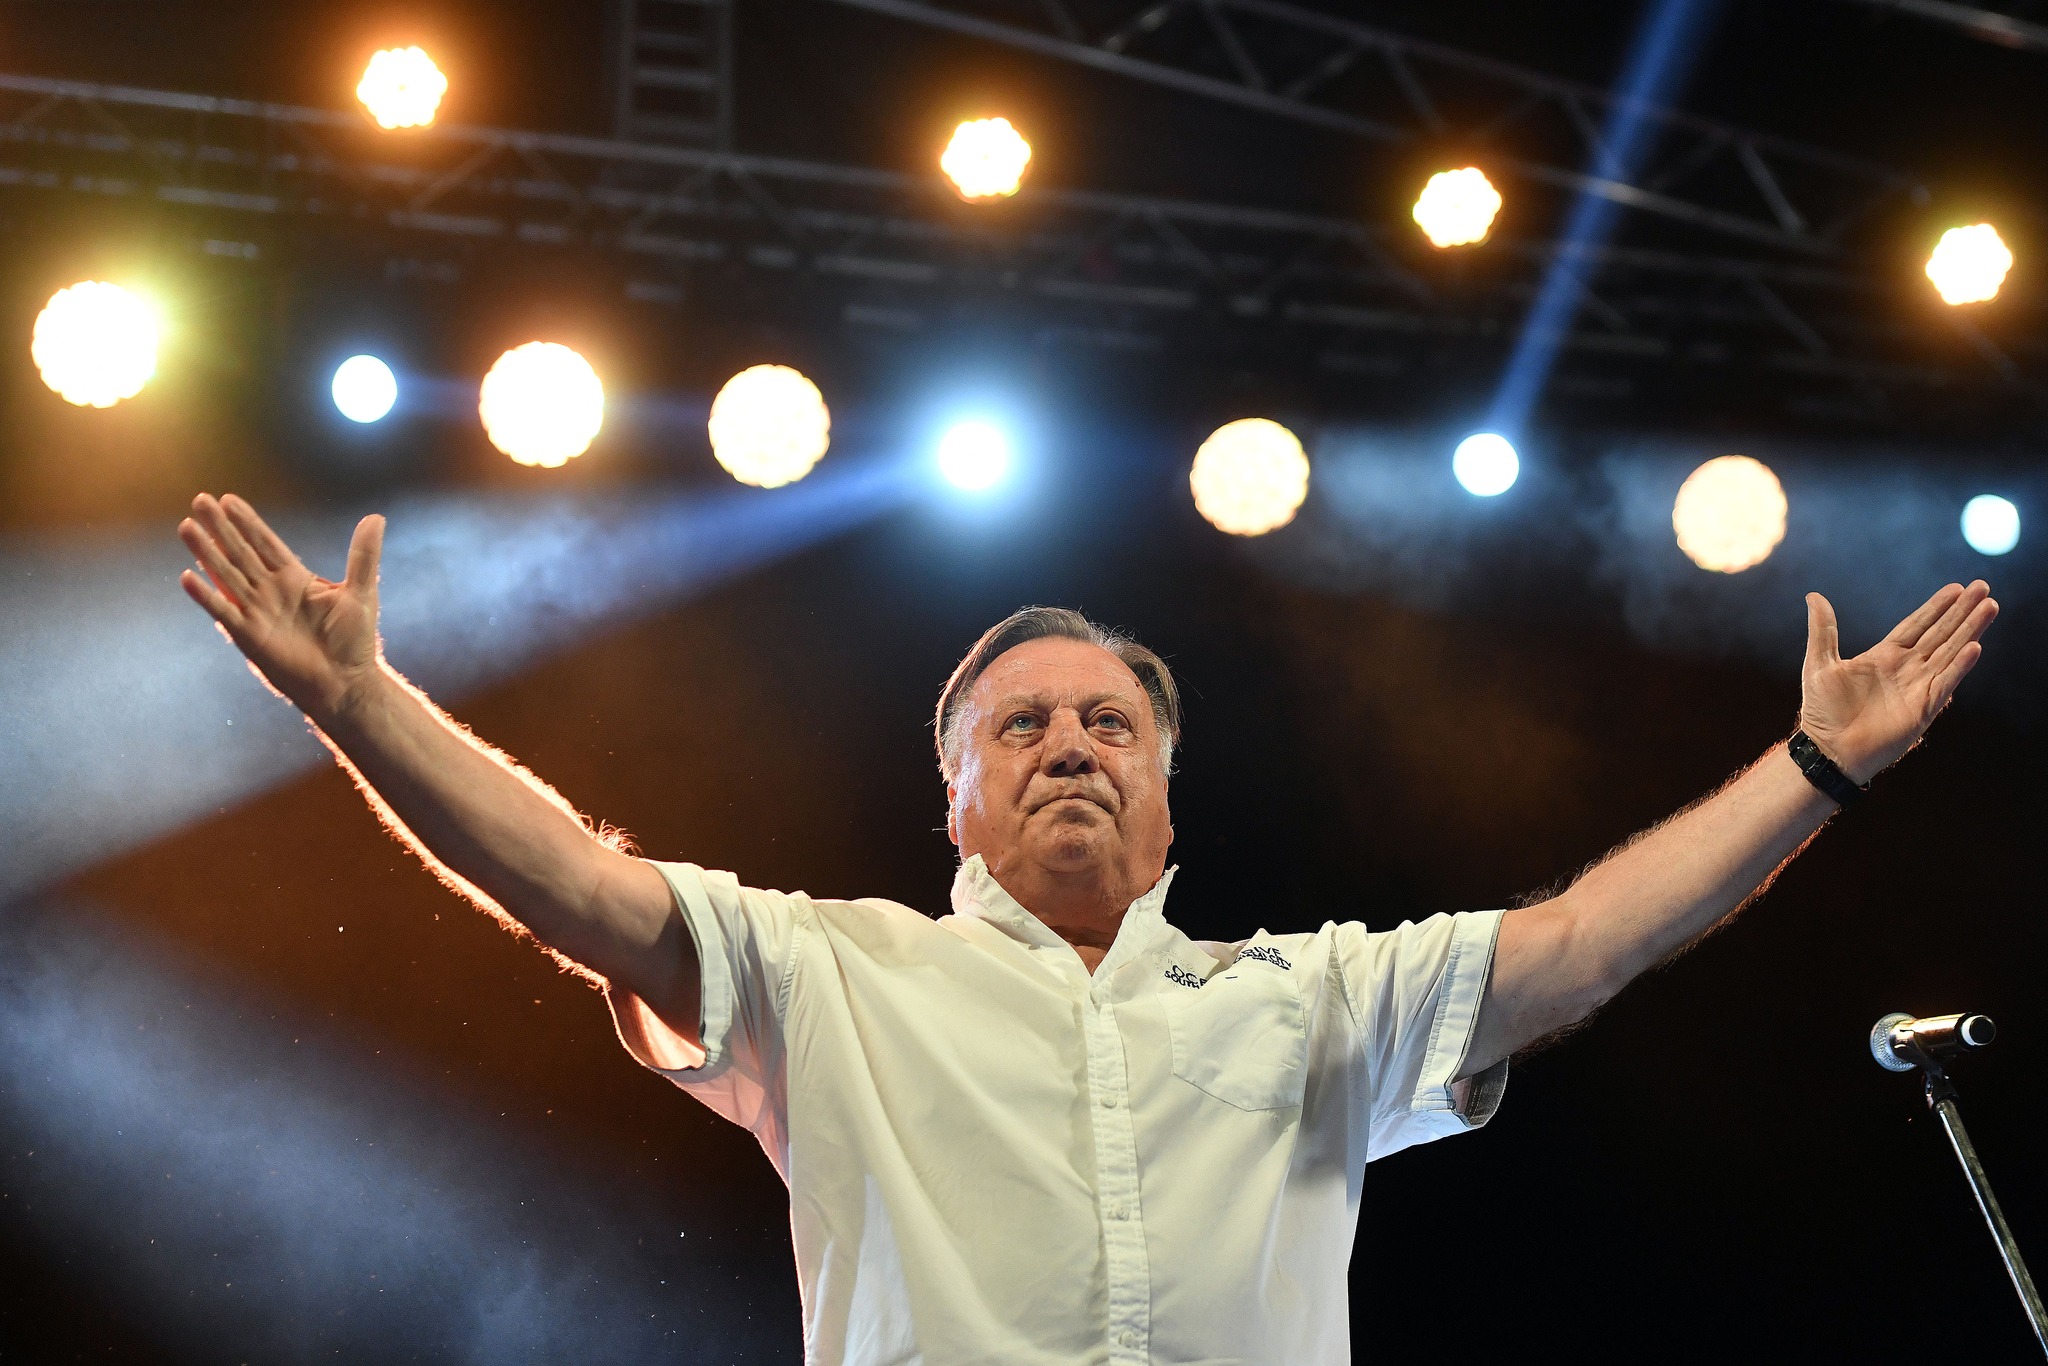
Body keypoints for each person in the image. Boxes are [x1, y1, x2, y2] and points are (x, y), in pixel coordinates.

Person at [176, 490, 1997, 1364]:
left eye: (1110, 723)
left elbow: (1586, 938)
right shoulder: (834, 973)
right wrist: (365, 707)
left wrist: (1813, 771)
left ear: (1170, 802)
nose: (1068, 744)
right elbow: (576, 885)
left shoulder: (1312, 999)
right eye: (1020, 726)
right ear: (955, 801)